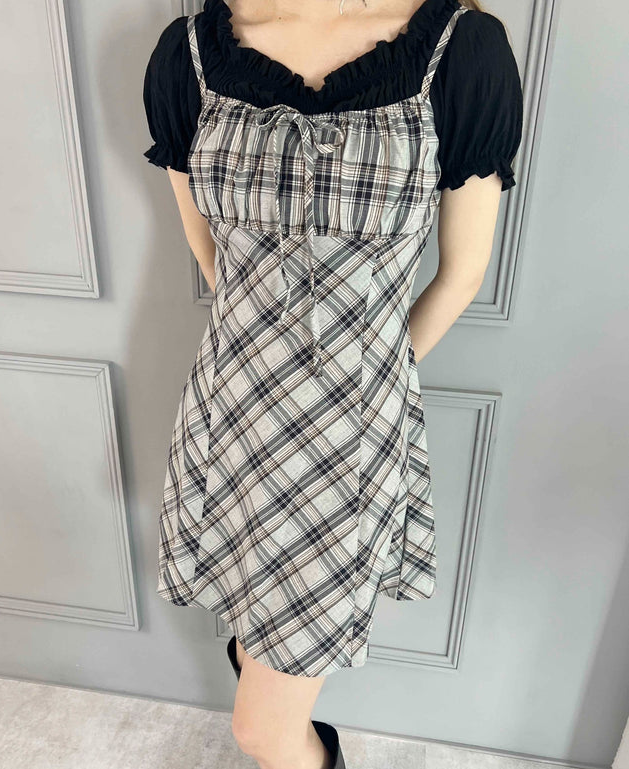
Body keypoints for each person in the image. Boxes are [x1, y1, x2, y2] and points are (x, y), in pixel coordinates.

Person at [142, 0, 523, 767]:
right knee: (252, 632)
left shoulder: (462, 51)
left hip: (348, 437)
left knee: (261, 727)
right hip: (230, 415)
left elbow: (462, 273)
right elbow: (205, 244)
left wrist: (358, 380)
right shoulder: (190, 53)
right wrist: (272, 355)